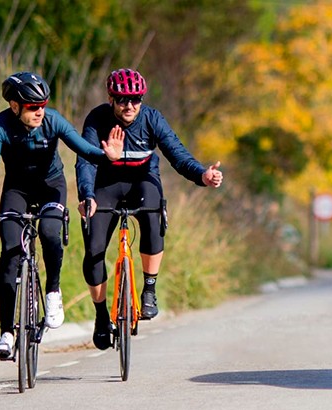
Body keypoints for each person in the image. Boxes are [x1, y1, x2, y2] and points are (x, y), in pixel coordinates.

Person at [0, 71, 124, 359]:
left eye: (43, 105)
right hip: (16, 190)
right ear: (14, 106)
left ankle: (53, 292)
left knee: (48, 233)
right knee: (9, 253)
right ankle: (7, 332)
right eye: (33, 107)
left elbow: (83, 149)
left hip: (51, 187)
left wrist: (107, 156)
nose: (40, 112)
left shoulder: (53, 120)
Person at [76, 68, 223, 350]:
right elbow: (85, 162)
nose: (129, 105)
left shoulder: (152, 119)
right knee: (94, 248)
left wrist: (202, 175)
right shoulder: (97, 119)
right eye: (121, 100)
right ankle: (100, 315)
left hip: (143, 181)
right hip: (106, 184)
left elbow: (177, 154)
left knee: (153, 215)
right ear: (111, 99)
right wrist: (87, 195)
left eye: (135, 99)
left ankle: (150, 290)